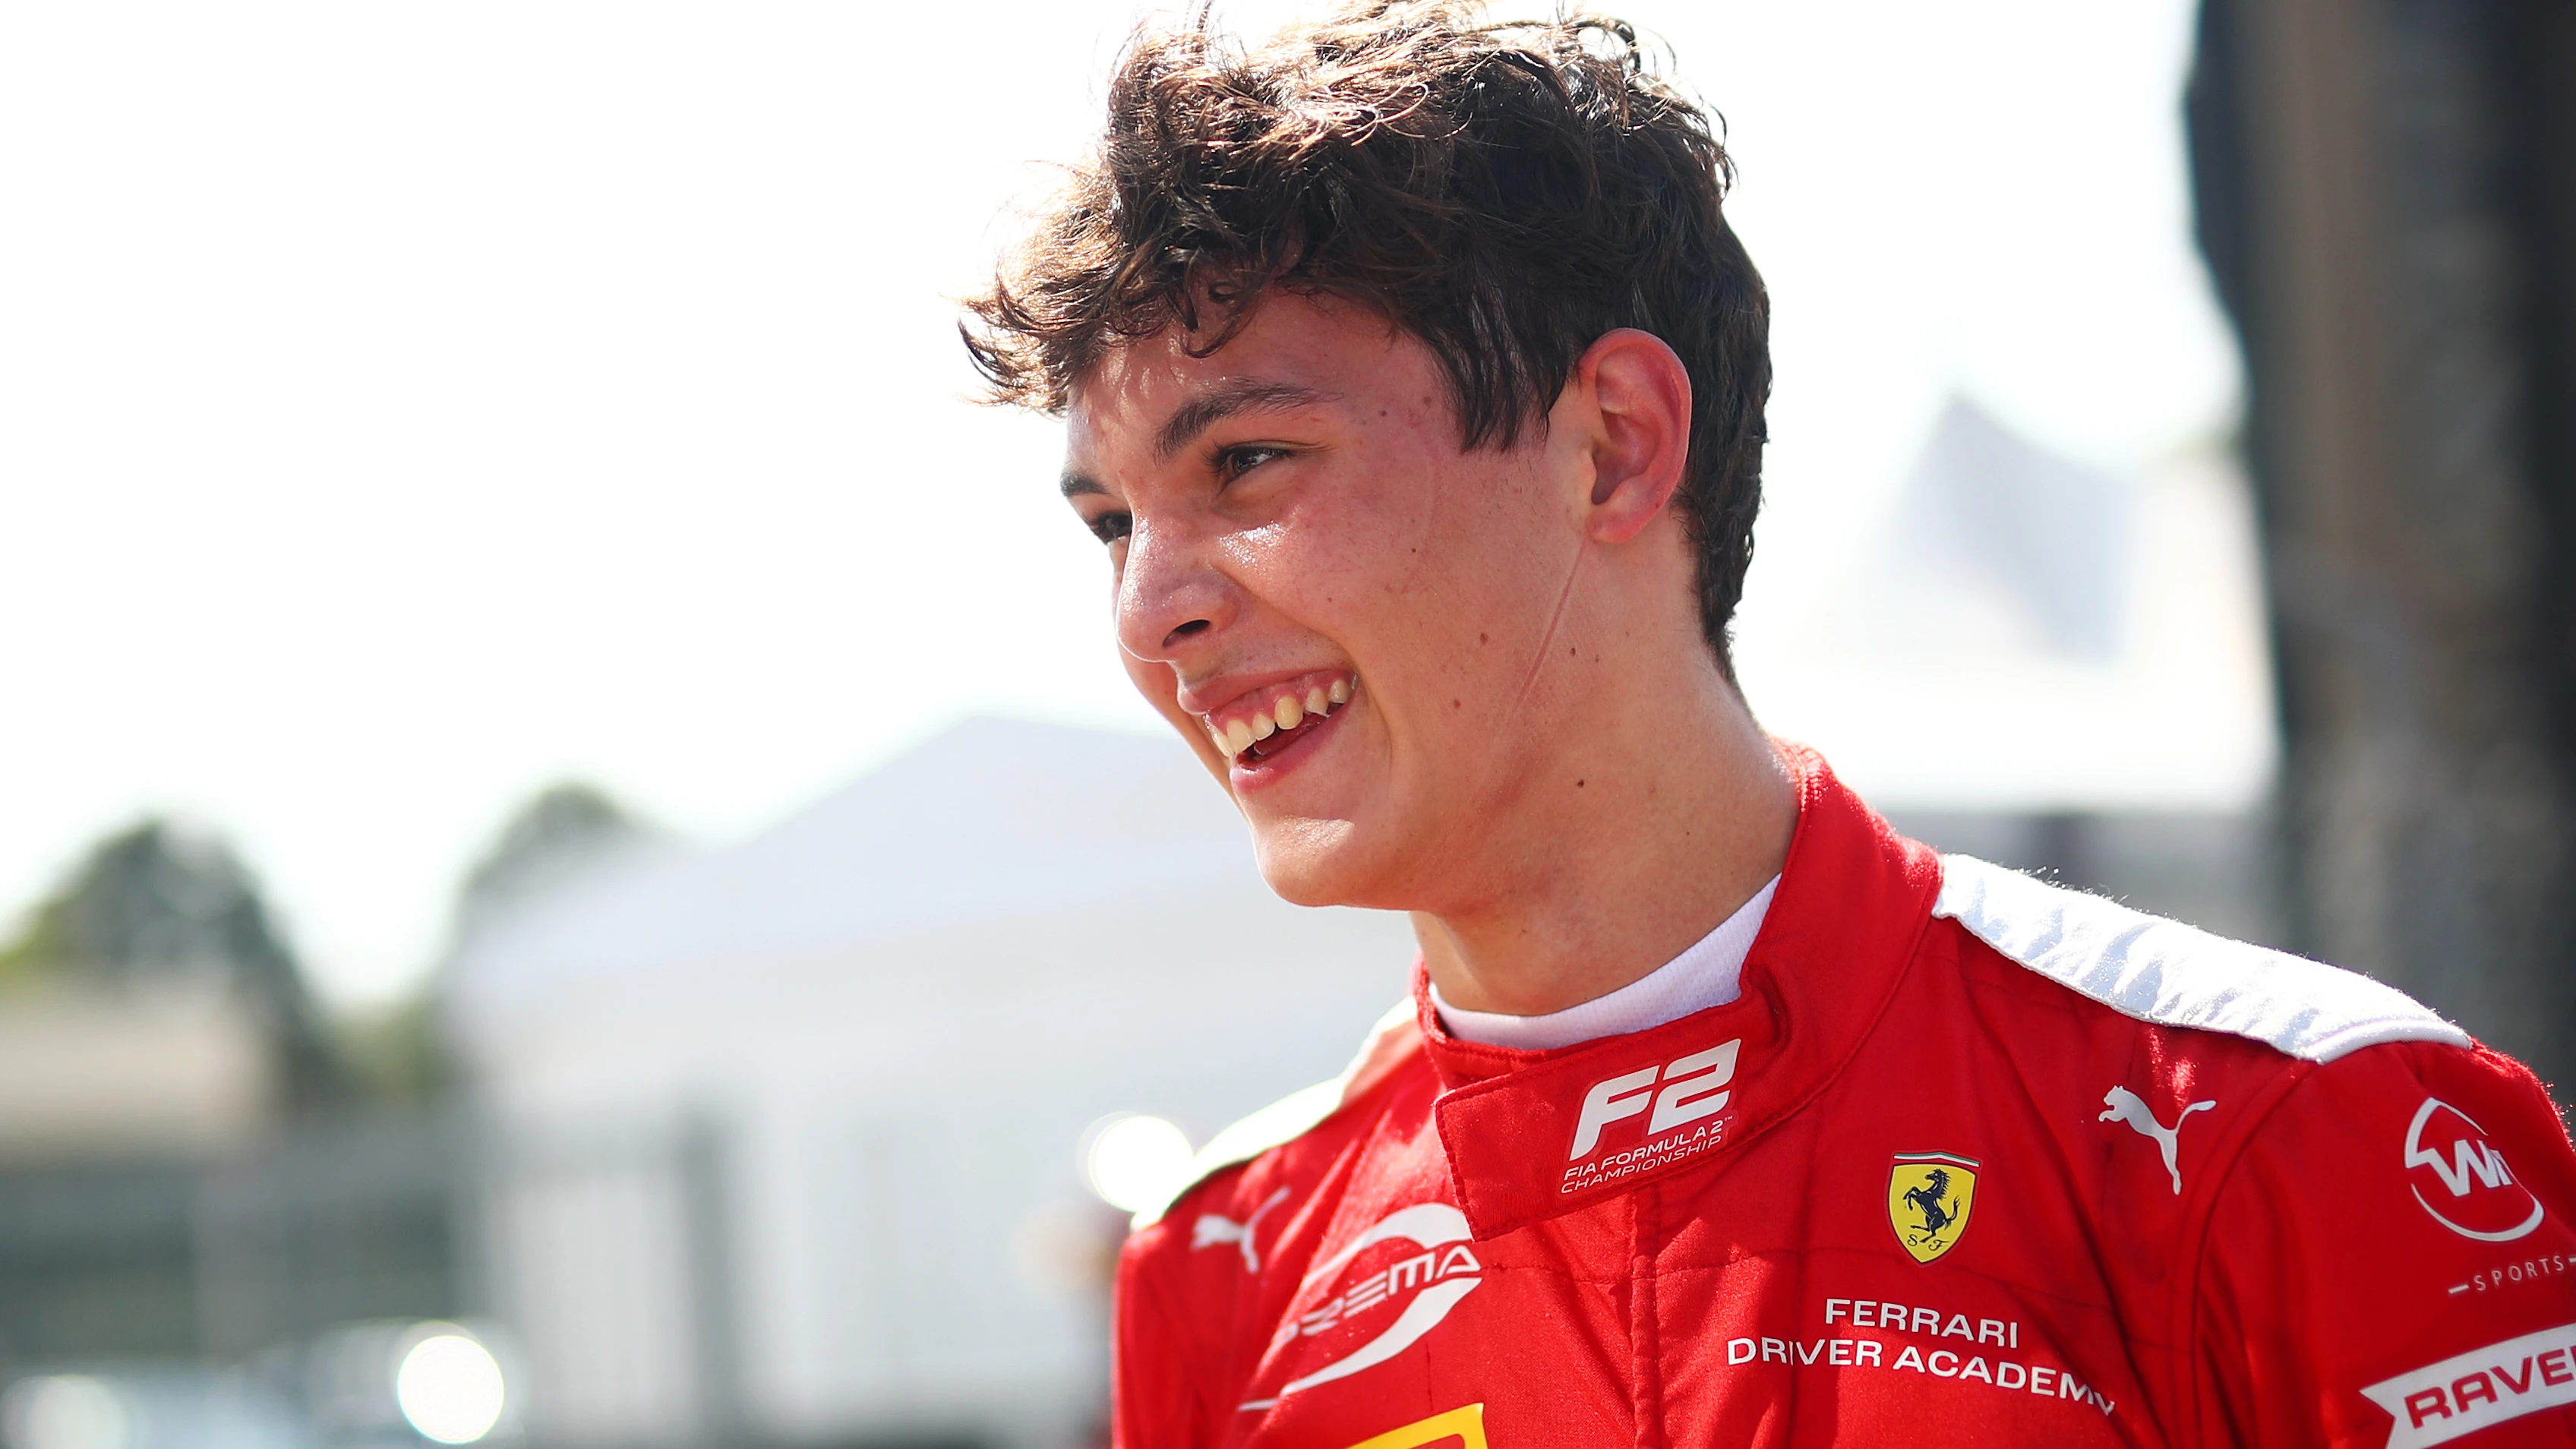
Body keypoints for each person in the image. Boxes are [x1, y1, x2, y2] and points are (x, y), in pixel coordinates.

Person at [962, 4, 2576, 1445]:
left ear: (1611, 444)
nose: (1149, 611)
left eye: (1245, 465)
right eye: (1110, 522)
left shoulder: (2301, 1127)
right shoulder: (1228, 1267)